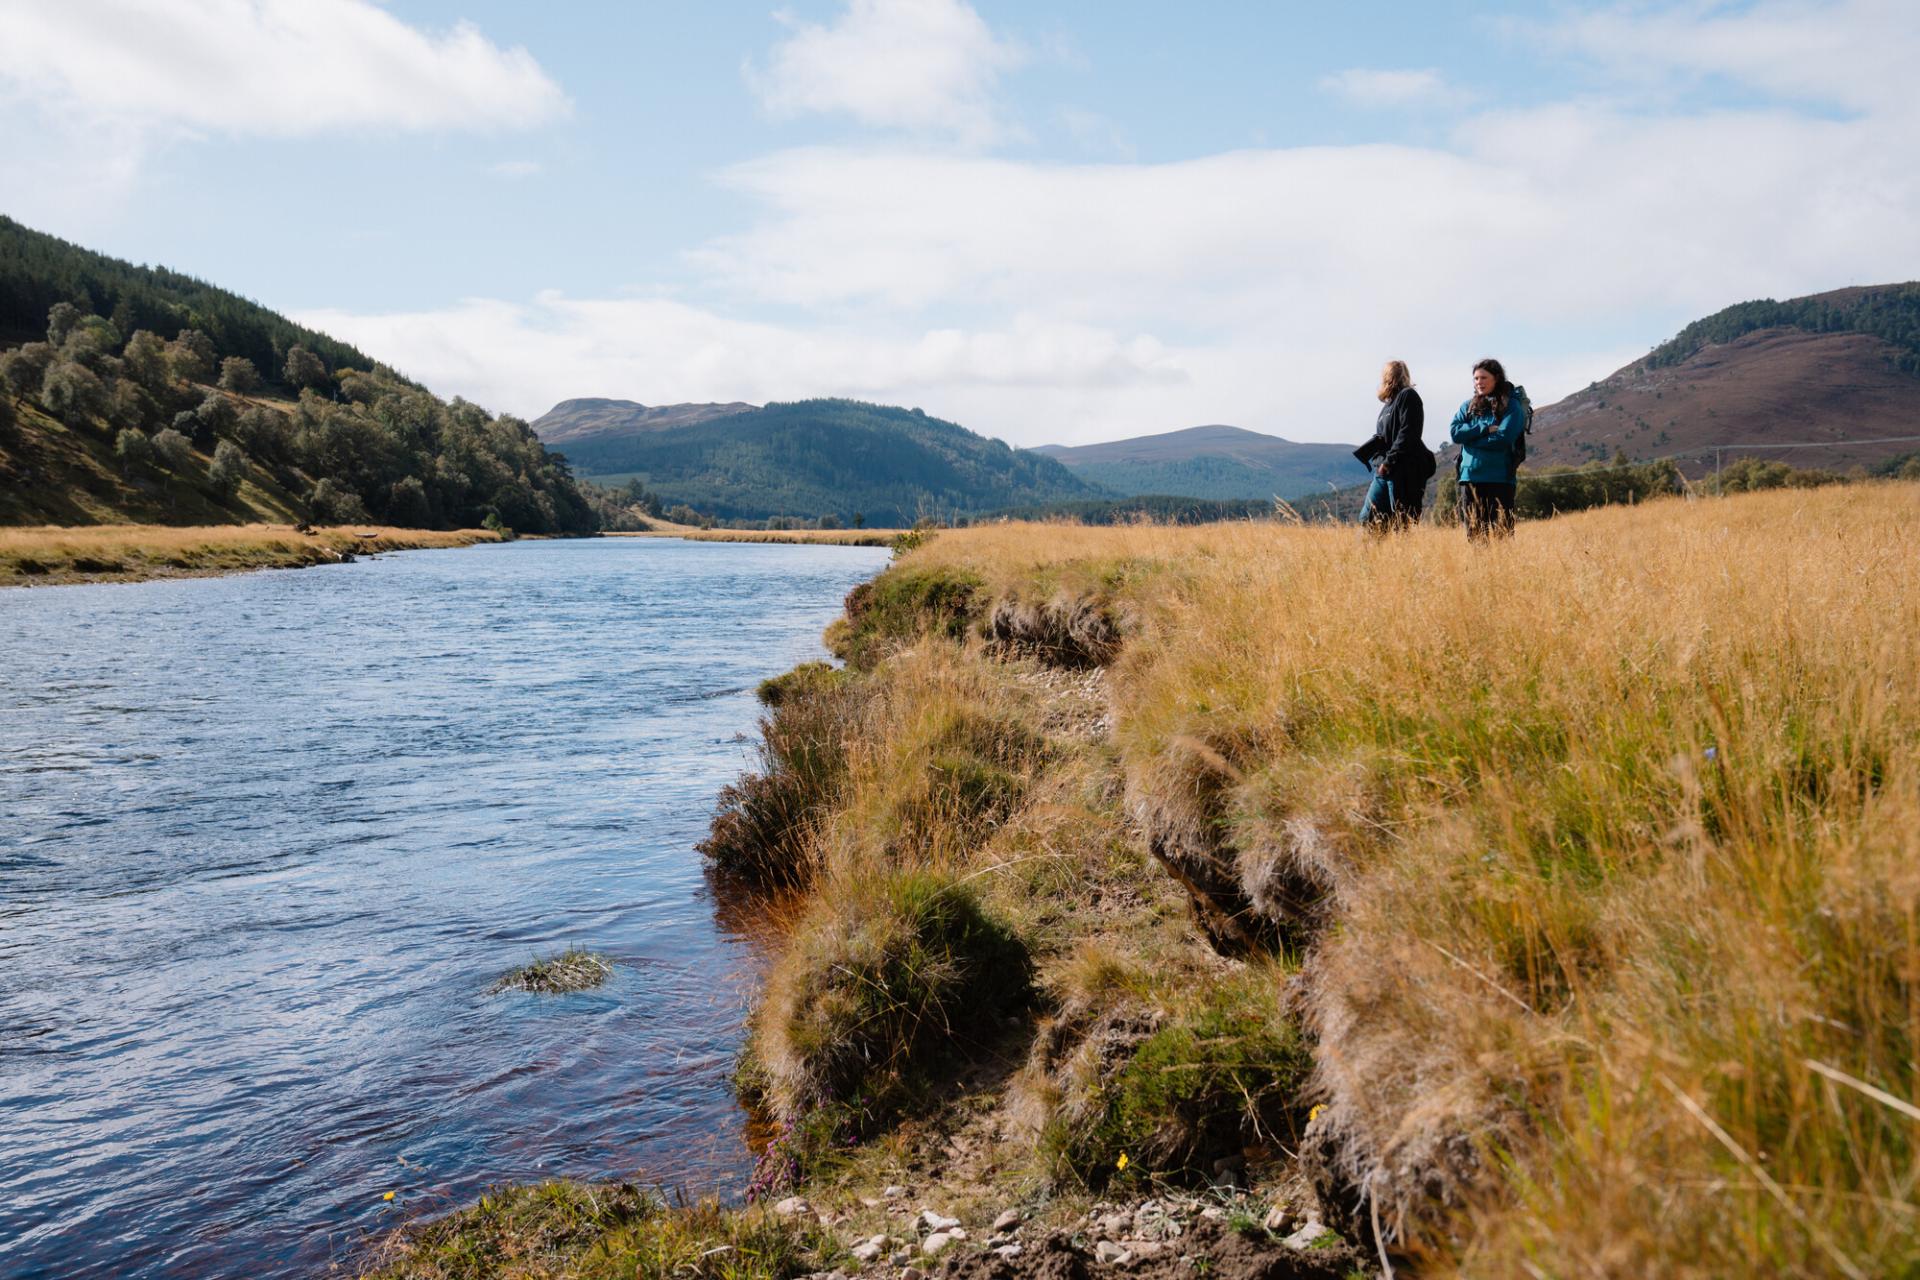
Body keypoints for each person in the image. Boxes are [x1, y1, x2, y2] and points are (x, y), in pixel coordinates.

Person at [1448, 357, 1529, 541]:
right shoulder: (1467, 406)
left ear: (1497, 378)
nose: (1479, 382)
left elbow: (1503, 439)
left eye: (1484, 378)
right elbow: (1454, 433)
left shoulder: (1511, 406)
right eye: (1476, 378)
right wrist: (1482, 430)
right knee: (1475, 539)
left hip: (1499, 480)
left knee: (1503, 539)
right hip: (1470, 480)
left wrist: (1470, 440)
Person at [1355, 360, 1434, 531]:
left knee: (1402, 522)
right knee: (1369, 520)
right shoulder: (1387, 405)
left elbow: (1409, 433)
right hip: (1384, 472)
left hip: (1403, 470)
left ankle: (1400, 556)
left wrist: (1389, 461)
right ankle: (1374, 557)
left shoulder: (1408, 396)